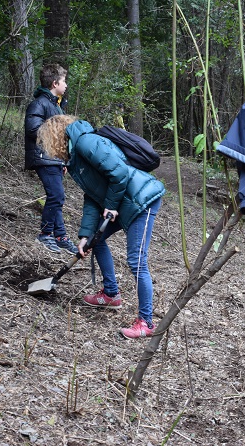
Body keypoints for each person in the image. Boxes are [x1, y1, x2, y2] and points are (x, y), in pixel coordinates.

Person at [37, 115, 166, 339]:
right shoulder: (75, 158)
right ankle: (110, 294)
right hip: (123, 201)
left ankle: (146, 322)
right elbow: (92, 196)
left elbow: (120, 173)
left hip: (141, 200)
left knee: (136, 260)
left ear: (55, 137)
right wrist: (85, 235)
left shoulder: (86, 142)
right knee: (96, 241)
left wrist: (111, 206)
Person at [24, 63, 77, 255]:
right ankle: (46, 234)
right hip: (42, 158)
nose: (66, 85)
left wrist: (63, 160)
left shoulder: (56, 105)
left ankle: (60, 236)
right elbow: (32, 129)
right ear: (55, 83)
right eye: (64, 81)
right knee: (57, 196)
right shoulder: (39, 103)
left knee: (57, 197)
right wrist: (57, 126)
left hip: (53, 159)